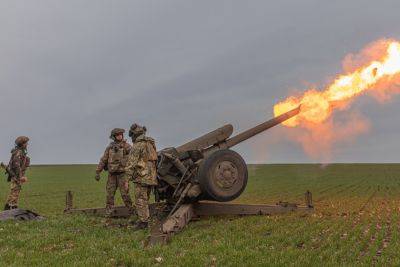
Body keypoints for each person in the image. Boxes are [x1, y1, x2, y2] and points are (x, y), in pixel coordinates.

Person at [125, 123, 158, 230]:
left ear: (134, 135)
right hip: (152, 177)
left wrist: (126, 180)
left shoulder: (138, 145)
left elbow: (131, 164)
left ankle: (143, 222)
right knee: (145, 199)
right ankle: (145, 219)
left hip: (142, 177)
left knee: (140, 200)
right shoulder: (150, 143)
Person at [95, 128, 134, 217]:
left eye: (120, 134)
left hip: (122, 175)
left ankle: (131, 211)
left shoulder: (127, 146)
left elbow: (133, 158)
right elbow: (103, 160)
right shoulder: (110, 148)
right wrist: (98, 172)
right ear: (114, 137)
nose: (119, 136)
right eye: (117, 135)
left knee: (125, 194)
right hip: (112, 175)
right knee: (110, 194)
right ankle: (109, 212)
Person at [4, 136, 31, 210]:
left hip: (16, 175)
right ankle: (11, 208)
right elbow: (16, 165)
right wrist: (20, 177)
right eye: (26, 143)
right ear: (22, 144)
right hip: (15, 175)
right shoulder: (18, 152)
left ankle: (11, 206)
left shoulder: (20, 151)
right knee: (14, 191)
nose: (27, 144)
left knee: (15, 191)